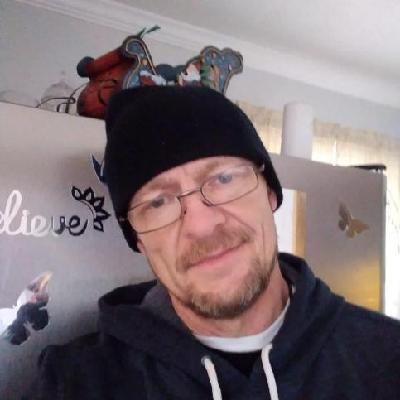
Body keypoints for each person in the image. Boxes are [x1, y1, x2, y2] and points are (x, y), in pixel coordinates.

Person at [29, 86, 400, 400]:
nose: (201, 225)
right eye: (158, 202)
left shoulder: (387, 358)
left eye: (223, 179)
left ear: (270, 193)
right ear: (138, 239)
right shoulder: (72, 383)